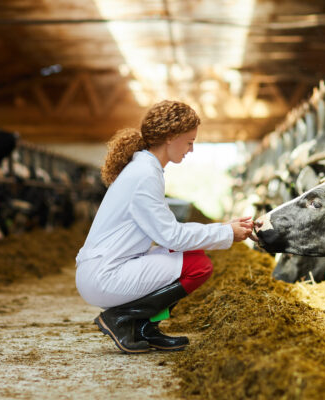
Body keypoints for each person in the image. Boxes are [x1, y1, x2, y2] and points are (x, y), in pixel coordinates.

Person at [75, 100, 253, 354]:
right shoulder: (145, 174)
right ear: (171, 137)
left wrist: (224, 227)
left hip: (107, 267)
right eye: (190, 142)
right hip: (105, 275)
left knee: (194, 256)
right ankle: (122, 318)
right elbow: (172, 236)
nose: (191, 150)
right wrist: (226, 233)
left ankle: (145, 328)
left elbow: (168, 231)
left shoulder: (146, 169)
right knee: (199, 266)